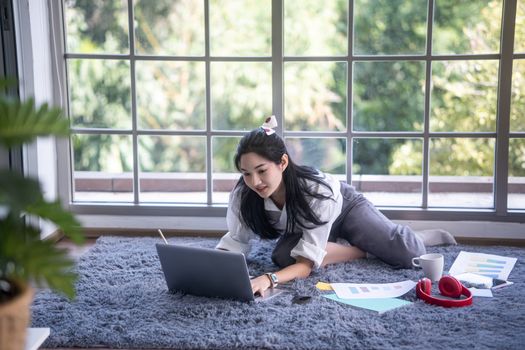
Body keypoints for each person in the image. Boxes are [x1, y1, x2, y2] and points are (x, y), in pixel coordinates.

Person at [216, 116, 443, 296]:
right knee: (284, 257)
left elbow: (305, 267)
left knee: (408, 253)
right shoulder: (244, 195)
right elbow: (235, 242)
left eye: (262, 170)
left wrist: (268, 278)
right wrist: (213, 268)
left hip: (345, 209)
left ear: (282, 162)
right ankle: (358, 248)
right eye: (246, 173)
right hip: (309, 226)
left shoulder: (317, 190)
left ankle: (403, 236)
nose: (254, 181)